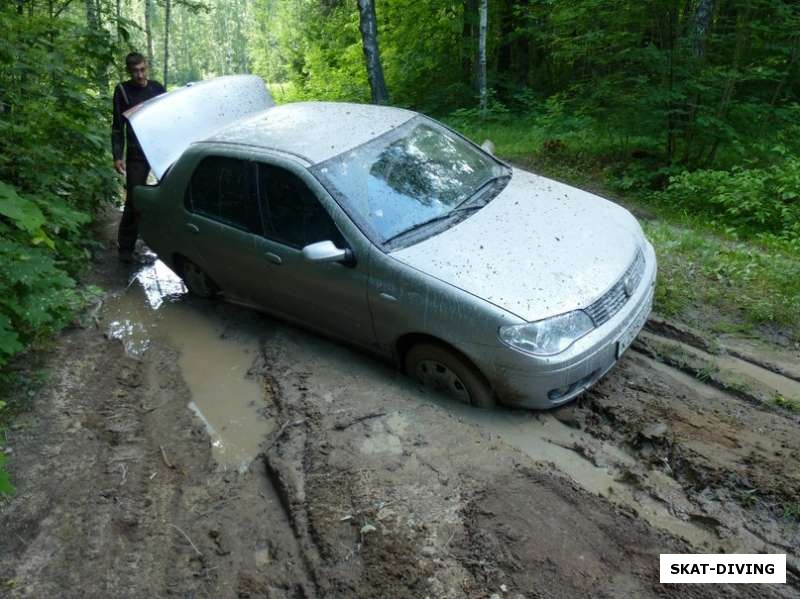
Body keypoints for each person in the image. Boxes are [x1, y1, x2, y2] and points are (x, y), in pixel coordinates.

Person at [111, 52, 166, 263]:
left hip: (160, 149)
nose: (139, 75)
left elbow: (170, 117)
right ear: (129, 71)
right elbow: (117, 127)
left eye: (142, 69)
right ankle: (126, 249)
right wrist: (117, 155)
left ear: (147, 68)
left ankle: (168, 242)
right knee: (134, 200)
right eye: (135, 71)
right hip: (136, 153)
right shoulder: (123, 91)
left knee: (171, 194)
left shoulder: (157, 88)